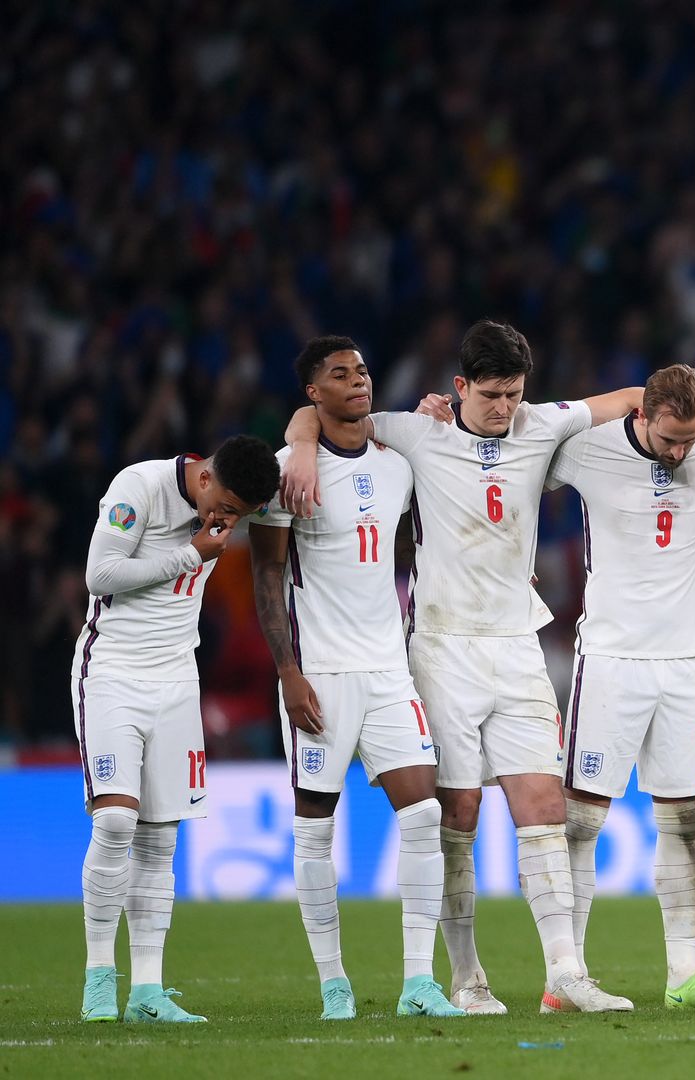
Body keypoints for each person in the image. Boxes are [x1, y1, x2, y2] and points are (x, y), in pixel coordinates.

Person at [279, 319, 695, 1014]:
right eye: (490, 394)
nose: (503, 408)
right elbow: (322, 408)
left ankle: (566, 974)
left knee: (544, 807)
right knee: (458, 811)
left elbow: (638, 399)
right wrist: (301, 447)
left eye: (514, 394)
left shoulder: (540, 425)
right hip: (442, 645)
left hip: (517, 642)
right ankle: (467, 979)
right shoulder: (416, 432)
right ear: (459, 386)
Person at [250, 337, 465, 1020]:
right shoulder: (288, 469)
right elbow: (266, 575)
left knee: (425, 813)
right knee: (315, 827)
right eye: (338, 375)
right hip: (321, 674)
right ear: (312, 393)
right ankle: (334, 984)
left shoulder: (397, 464)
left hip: (387, 670)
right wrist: (288, 672)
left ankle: (418, 984)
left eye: (363, 370)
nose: (358, 381)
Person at [544, 362, 695, 1009]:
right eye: (668, 439)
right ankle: (565, 977)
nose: (679, 451)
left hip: (685, 660)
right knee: (580, 821)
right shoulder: (590, 449)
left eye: (691, 437)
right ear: (641, 416)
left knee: (684, 820)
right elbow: (524, 450)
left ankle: (685, 977)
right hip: (609, 657)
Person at [75, 435, 281, 1022]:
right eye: (225, 506)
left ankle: (146, 993)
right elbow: (99, 574)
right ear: (206, 474)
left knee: (160, 840)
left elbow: (302, 440)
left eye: (240, 517)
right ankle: (97, 981)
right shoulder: (137, 488)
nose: (226, 521)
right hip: (111, 669)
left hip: (177, 682)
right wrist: (190, 554)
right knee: (116, 820)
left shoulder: (232, 503)